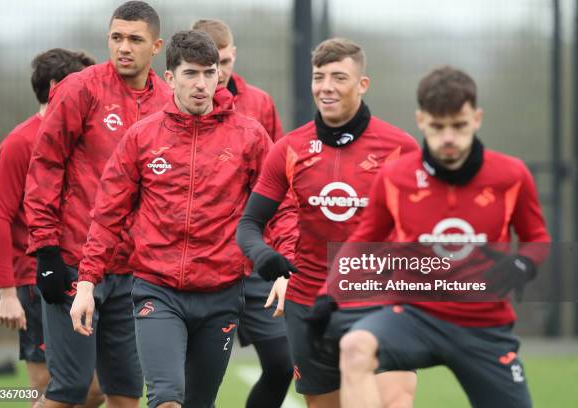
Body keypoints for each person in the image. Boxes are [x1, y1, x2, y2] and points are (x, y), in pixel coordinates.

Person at [70, 30, 293, 408]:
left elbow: (283, 206)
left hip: (221, 294)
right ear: (170, 77)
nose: (202, 84)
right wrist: (88, 282)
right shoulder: (141, 138)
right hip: (157, 291)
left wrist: (287, 269)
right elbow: (108, 216)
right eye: (191, 74)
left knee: (197, 403)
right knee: (167, 399)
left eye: (209, 73)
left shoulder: (250, 137)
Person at [335, 66, 550, 408]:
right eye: (438, 127)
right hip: (413, 316)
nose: (448, 138)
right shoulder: (395, 176)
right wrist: (327, 294)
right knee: (354, 347)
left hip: (484, 327)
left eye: (459, 126)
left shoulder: (512, 175)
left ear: (477, 118)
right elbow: (362, 240)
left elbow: (536, 237)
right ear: (421, 120)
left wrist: (524, 263)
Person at [236, 38, 419, 408]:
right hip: (309, 305)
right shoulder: (289, 148)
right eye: (319, 77)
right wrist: (262, 254)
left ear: (362, 84)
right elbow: (249, 224)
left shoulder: (401, 149)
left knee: (393, 401)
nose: (326, 87)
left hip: (380, 302)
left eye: (339, 77)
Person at [23, 2, 169, 407]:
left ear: (155, 46)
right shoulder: (79, 89)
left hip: (134, 271)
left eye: (135, 39)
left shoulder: (168, 103)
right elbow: (45, 168)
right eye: (117, 37)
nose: (124, 47)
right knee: (69, 389)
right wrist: (46, 249)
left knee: (124, 392)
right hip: (73, 259)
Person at [0, 48, 100, 408]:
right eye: (79, 82)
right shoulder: (20, 142)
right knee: (49, 387)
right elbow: (0, 217)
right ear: (55, 87)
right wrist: (7, 291)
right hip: (36, 279)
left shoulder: (85, 136)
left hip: (83, 272)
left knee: (96, 388)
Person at [191, 18, 293, 408]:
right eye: (209, 63)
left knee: (283, 363)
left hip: (253, 260)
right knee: (195, 381)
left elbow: (281, 179)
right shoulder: (173, 102)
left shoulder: (260, 103)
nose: (219, 72)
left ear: (233, 56)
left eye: (224, 61)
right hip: (199, 264)